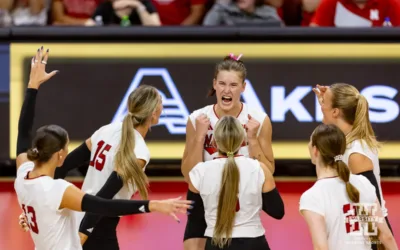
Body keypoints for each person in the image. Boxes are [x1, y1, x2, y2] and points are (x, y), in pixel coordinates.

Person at [15, 47, 193, 250]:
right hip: (96, 219)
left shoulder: (107, 129)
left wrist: (36, 203)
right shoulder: (140, 152)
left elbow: (63, 167)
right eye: (161, 102)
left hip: (74, 211)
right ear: (154, 114)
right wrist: (85, 231)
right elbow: (105, 197)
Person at [181, 54, 276, 250]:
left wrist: (253, 140)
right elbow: (187, 175)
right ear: (214, 84)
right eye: (222, 83)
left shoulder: (258, 120)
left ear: (243, 87)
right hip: (204, 200)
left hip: (243, 203)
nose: (226, 90)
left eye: (233, 85)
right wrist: (200, 137)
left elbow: (268, 171)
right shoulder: (197, 119)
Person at [188, 116, 284, 250]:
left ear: (214, 141)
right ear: (243, 141)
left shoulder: (199, 171)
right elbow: (277, 211)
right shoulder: (259, 169)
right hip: (254, 243)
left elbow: (194, 216)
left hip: (216, 243)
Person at [299, 124, 397, 250]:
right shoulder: (363, 183)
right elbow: (385, 236)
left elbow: (321, 247)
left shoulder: (312, 196)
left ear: (315, 150)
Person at [313, 83, 393, 234]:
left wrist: (372, 243)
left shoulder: (356, 154)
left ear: (336, 112)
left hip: (370, 231)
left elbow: (372, 208)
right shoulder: (346, 142)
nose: (321, 105)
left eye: (324, 103)